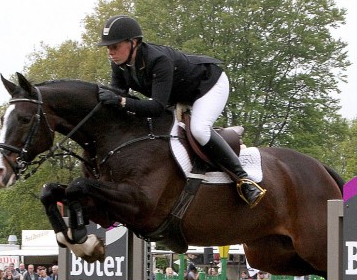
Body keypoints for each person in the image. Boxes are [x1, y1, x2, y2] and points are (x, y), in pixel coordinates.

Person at [96, 15, 265, 206]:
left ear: (133, 42)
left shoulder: (158, 60)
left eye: (115, 46)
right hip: (180, 94)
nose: (110, 52)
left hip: (208, 85)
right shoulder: (119, 64)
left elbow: (155, 107)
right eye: (108, 48)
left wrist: (122, 102)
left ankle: (244, 180)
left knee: (199, 130)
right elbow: (118, 98)